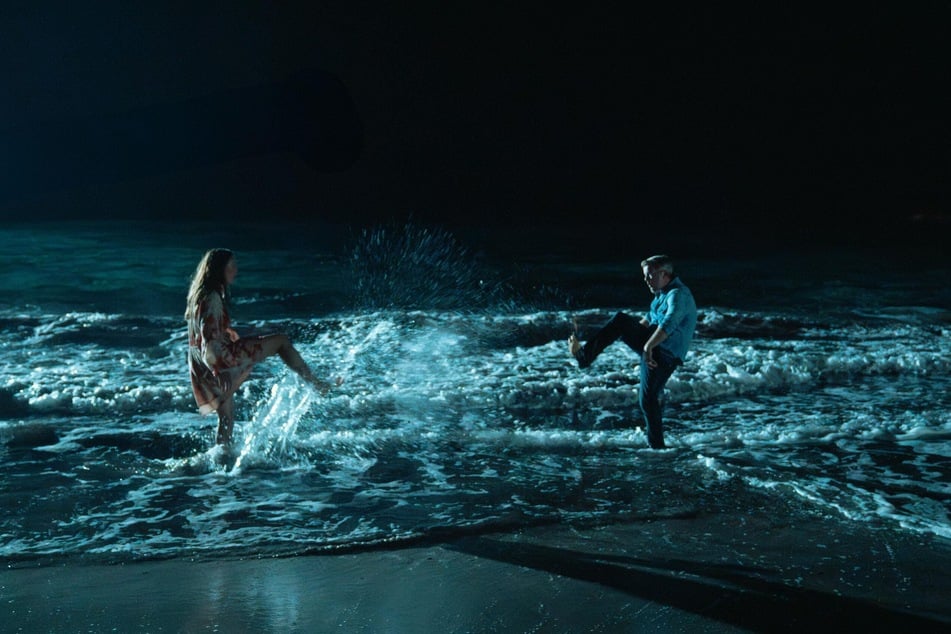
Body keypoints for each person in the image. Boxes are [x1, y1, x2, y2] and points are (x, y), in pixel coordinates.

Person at [185, 248, 339, 446]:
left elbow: (202, 333)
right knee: (281, 341)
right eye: (230, 266)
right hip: (219, 359)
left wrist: (227, 333)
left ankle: (223, 464)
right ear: (218, 270)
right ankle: (317, 384)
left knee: (226, 419)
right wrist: (219, 370)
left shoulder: (200, 295)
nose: (235, 270)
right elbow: (209, 342)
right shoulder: (213, 298)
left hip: (200, 364)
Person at [568, 254, 697, 449]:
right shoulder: (660, 296)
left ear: (664, 274)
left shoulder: (678, 295)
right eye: (644, 276)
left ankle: (584, 356)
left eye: (649, 276)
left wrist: (646, 346)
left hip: (664, 354)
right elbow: (644, 324)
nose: (645, 280)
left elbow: (669, 323)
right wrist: (624, 336)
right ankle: (658, 448)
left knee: (648, 399)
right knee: (647, 400)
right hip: (655, 349)